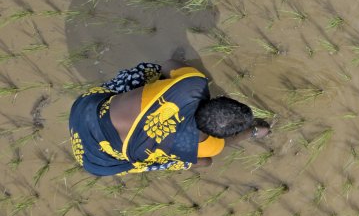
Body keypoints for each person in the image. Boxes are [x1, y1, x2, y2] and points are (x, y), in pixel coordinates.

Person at [68, 60, 270, 175]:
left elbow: (168, 64)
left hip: (86, 109)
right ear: (212, 135)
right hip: (96, 158)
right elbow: (220, 146)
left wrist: (168, 84)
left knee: (151, 72)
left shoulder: (192, 84)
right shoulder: (206, 145)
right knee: (204, 162)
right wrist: (252, 131)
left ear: (219, 98)